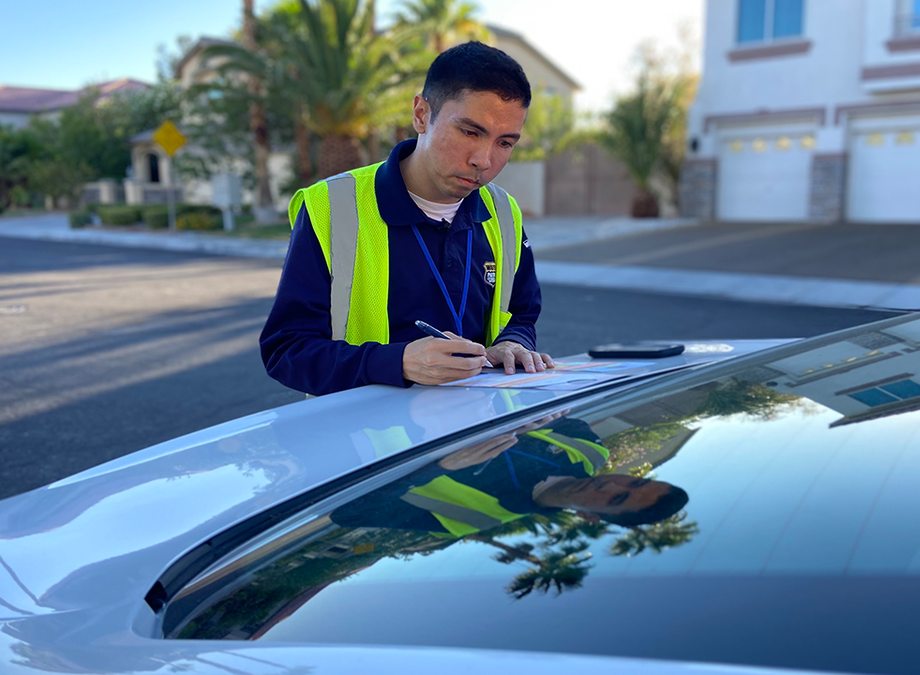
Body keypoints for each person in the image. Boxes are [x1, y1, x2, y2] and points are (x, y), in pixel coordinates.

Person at [260, 42, 555, 397]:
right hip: (368, 444)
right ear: (420, 115)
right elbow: (286, 350)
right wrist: (397, 362)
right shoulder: (332, 206)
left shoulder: (503, 211)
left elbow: (522, 313)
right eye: (470, 132)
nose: (484, 159)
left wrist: (512, 342)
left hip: (479, 435)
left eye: (505, 143)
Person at [329, 415, 689, 536]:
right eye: (635, 481)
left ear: (590, 517)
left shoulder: (474, 518)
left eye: (618, 498)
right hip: (415, 383)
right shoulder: (590, 448)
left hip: (347, 439)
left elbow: (348, 515)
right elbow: (542, 396)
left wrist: (434, 470)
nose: (612, 483)